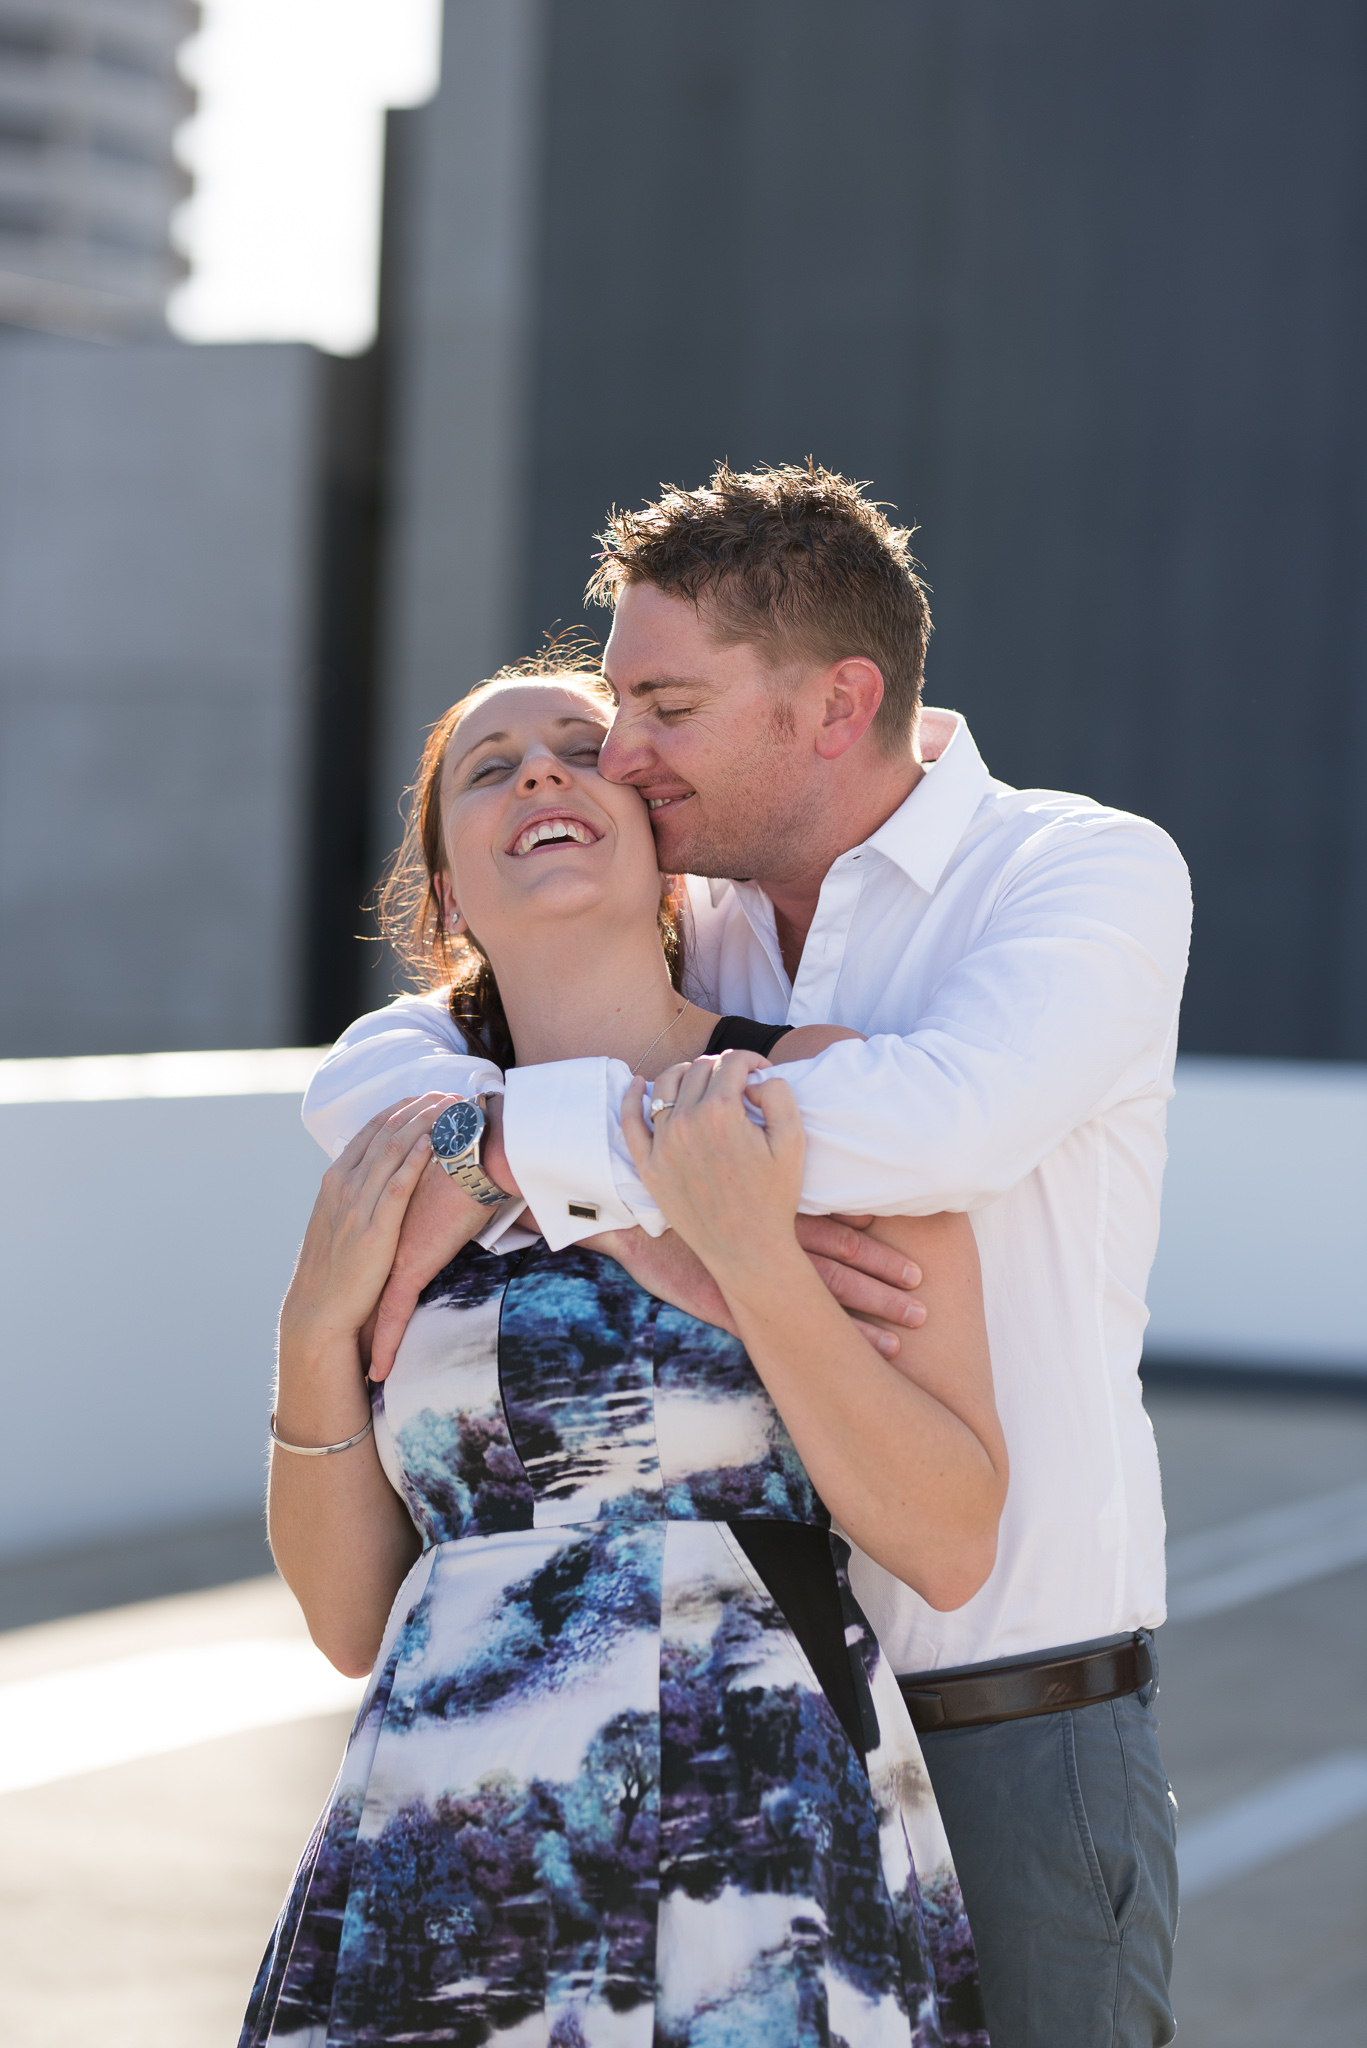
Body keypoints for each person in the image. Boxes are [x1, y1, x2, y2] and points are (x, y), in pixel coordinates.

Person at [303, 463, 1192, 2048]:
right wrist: (473, 1141)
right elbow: (383, 1060)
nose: (621, 759)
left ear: (836, 704)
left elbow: (948, 1121)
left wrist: (529, 1148)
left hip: (1008, 1707)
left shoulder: (1076, 872)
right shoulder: (687, 903)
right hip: (642, 1746)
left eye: (657, 708)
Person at [243, 669, 1003, 2047]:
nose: (539, 774)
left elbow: (950, 1539)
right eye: (491, 767)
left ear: (667, 852)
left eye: (582, 751)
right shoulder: (404, 1157)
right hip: (446, 1841)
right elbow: (353, 1621)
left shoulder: (827, 1099)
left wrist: (746, 1259)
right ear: (448, 901)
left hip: (757, 1821)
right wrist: (309, 1333)